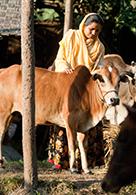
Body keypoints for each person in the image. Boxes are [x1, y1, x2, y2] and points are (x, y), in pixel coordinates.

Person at [48, 13, 106, 171]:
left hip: (87, 89)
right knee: (64, 121)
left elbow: (98, 69)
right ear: (84, 26)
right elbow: (60, 58)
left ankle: (86, 165)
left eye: (97, 31)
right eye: (91, 29)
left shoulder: (99, 47)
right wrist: (65, 67)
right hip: (67, 83)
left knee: (89, 125)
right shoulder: (71, 36)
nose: (93, 33)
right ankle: (62, 163)